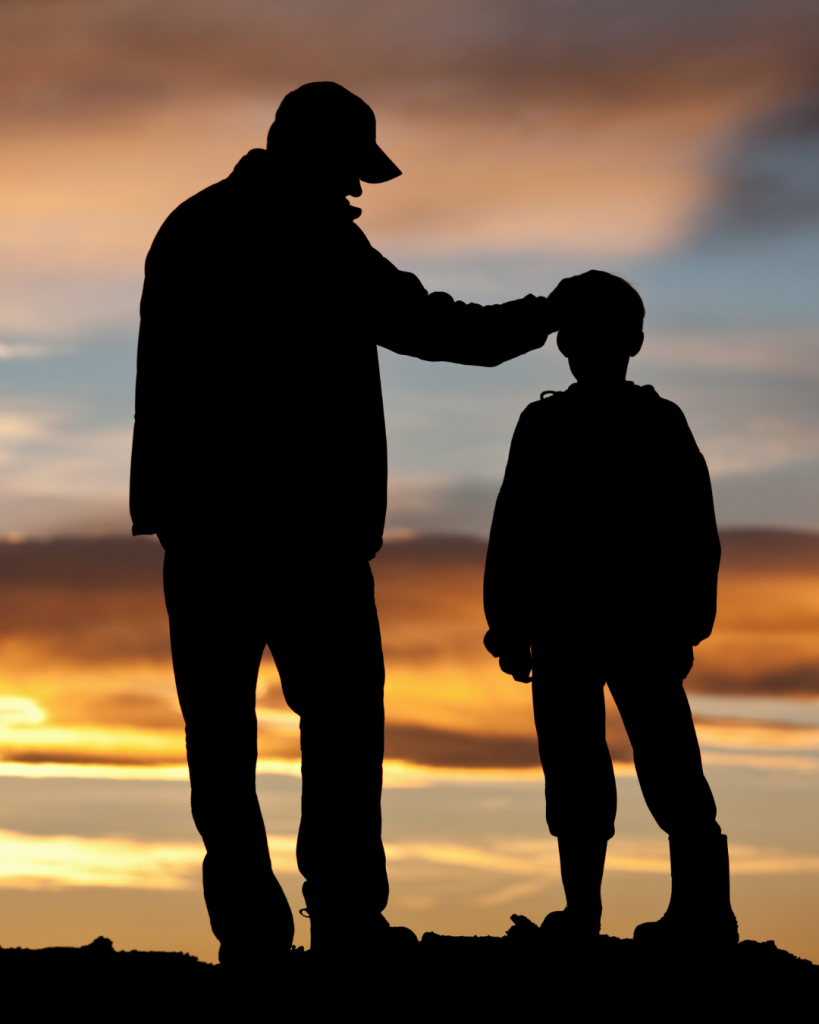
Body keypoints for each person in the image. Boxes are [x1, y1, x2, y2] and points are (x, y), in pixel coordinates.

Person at [130, 81, 559, 965]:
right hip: (306, 534)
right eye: (348, 171)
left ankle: (255, 933)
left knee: (220, 738)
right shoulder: (314, 238)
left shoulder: (191, 226)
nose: (355, 191)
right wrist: (549, 314)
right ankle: (347, 923)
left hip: (205, 530)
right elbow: (439, 328)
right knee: (339, 725)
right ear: (314, 156)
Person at [483, 270, 738, 947]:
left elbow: (693, 531)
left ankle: (698, 910)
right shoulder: (549, 424)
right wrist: (508, 624)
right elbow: (514, 529)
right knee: (579, 772)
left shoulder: (652, 424)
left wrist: (686, 622)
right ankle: (587, 913)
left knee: (664, 768)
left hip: (633, 629)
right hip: (571, 631)